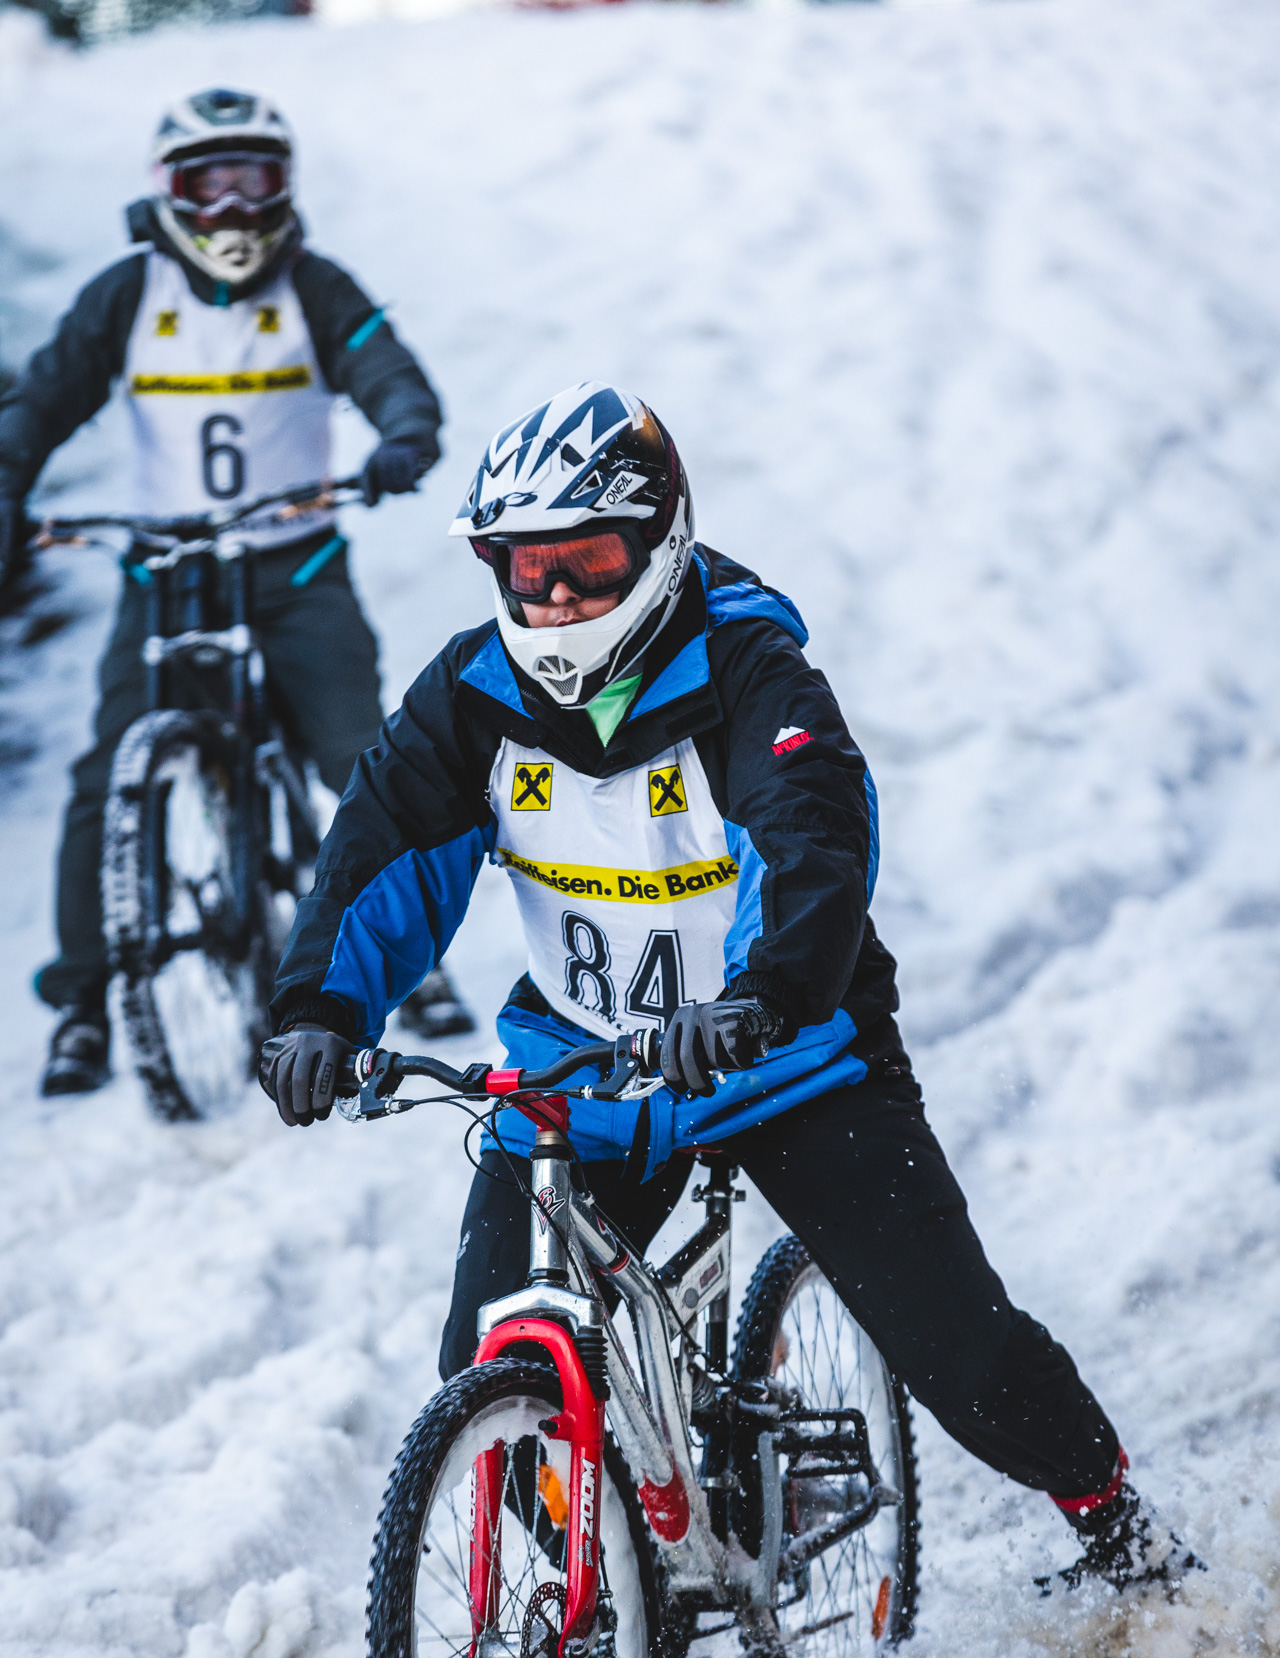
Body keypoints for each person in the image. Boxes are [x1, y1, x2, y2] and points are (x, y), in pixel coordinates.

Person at [261, 380, 1195, 1593]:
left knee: (959, 1355)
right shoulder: (471, 698)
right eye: (529, 569)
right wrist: (317, 1014)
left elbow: (809, 838)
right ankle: (615, 1613)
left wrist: (766, 995)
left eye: (589, 562)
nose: (556, 599)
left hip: (788, 1060)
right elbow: (376, 856)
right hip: (581, 1079)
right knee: (491, 1380)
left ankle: (1117, 1529)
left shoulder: (751, 673)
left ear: (660, 542)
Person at [0, 86, 473, 1098]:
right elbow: (40, 401)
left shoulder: (315, 287)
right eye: (206, 184)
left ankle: (413, 958)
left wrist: (404, 435)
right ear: (167, 191)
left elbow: (390, 373)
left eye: (252, 181)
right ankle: (84, 1003)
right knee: (106, 778)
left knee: (363, 759)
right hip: (166, 574)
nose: (230, 210)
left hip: (295, 570)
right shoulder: (126, 295)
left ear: (283, 185)